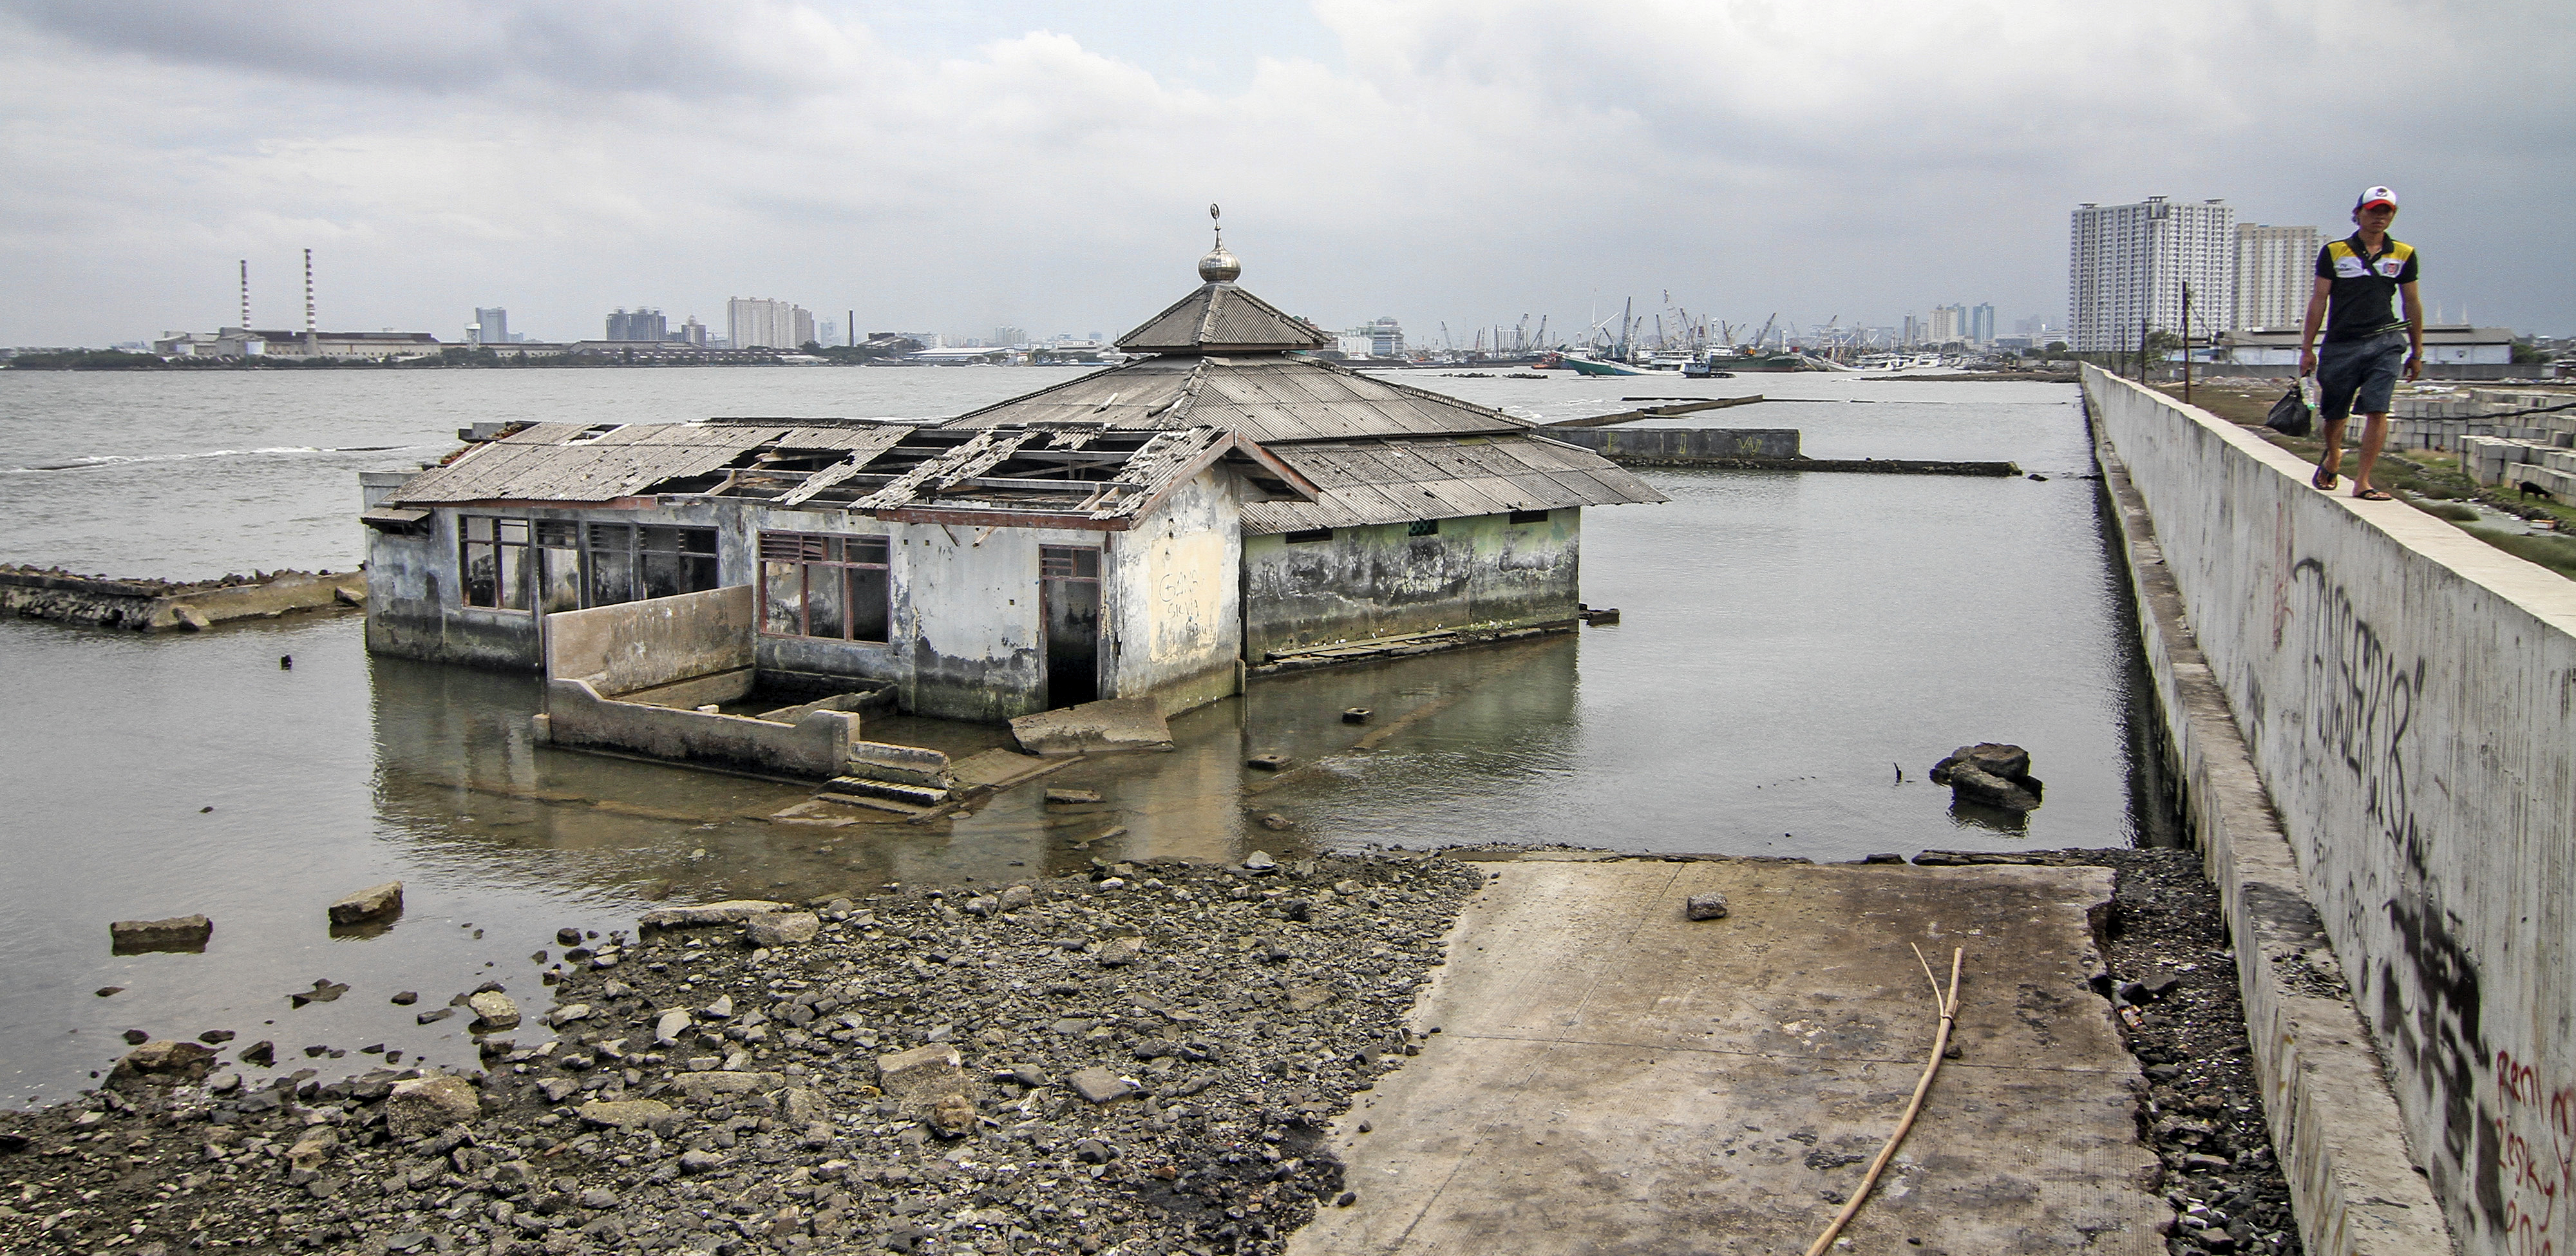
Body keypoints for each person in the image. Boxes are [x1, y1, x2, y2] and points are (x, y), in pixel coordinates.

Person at [2297, 186, 2423, 501]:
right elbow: (2319, 300)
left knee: (2378, 408)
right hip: (2342, 343)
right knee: (2334, 413)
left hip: (2386, 341)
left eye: (2386, 212)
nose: (2379, 218)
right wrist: (2307, 348)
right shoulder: (2335, 251)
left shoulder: (2404, 253)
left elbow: (2412, 303)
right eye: (2373, 211)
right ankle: (2334, 454)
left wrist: (2418, 351)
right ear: (2358, 214)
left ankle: (2363, 481)